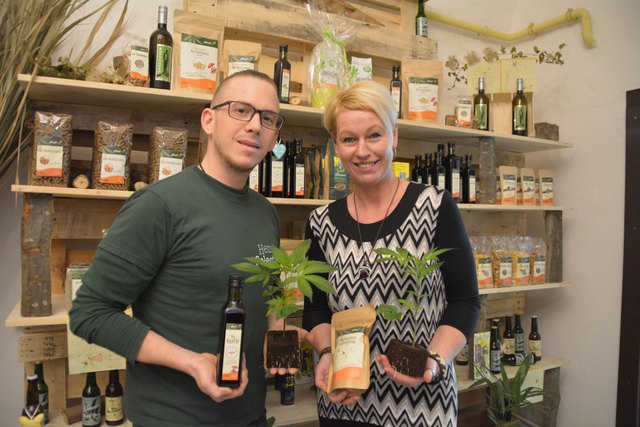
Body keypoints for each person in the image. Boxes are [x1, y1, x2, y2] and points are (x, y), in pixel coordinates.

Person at [70, 70, 288, 427]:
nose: (255, 126)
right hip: (172, 418)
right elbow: (90, 313)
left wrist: (279, 332)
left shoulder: (265, 212)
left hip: (251, 417)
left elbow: (270, 288)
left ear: (274, 135)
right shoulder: (159, 205)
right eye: (241, 110)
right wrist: (193, 362)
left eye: (267, 118)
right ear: (209, 120)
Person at [302, 81, 481, 427]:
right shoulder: (320, 221)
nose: (362, 151)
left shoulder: (434, 206)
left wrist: (434, 360)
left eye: (374, 135)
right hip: (344, 404)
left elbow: (465, 301)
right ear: (335, 146)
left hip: (422, 404)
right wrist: (325, 353)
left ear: (394, 136)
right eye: (349, 139)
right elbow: (316, 309)